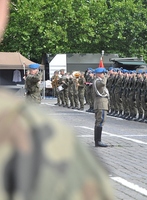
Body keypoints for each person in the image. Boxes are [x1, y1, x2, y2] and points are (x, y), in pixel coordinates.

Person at [0, 1, 114, 199]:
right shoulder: (32, 82)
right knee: (98, 120)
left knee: (96, 116)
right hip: (36, 103)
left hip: (54, 99)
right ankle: (98, 140)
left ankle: (98, 137)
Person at [93, 68, 110, 147]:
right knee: (100, 122)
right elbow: (103, 83)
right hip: (101, 104)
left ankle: (97, 141)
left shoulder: (97, 81)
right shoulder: (98, 81)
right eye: (103, 73)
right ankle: (98, 141)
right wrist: (106, 76)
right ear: (100, 74)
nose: (104, 75)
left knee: (98, 122)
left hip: (100, 104)